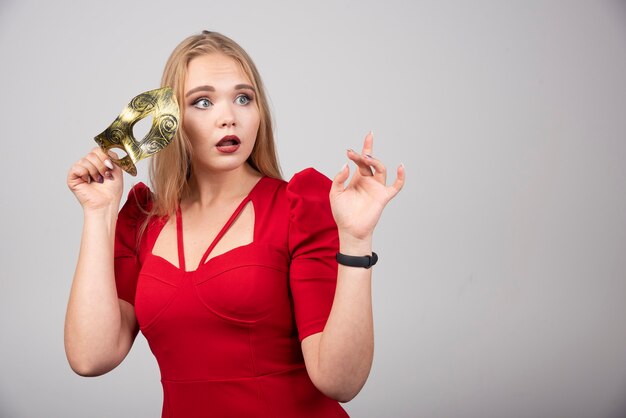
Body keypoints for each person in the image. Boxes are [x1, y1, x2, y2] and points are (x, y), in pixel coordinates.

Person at [65, 31, 405, 418]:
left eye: (244, 98)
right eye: (203, 102)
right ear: (170, 119)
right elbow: (90, 357)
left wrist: (356, 240)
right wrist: (98, 213)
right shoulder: (141, 220)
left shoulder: (299, 208)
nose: (229, 117)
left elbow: (341, 382)